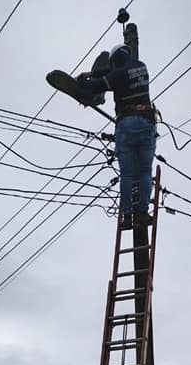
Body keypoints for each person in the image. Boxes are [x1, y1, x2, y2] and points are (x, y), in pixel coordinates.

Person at [47, 44, 156, 229]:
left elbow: (98, 84)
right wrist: (93, 73)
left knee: (127, 174)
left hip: (126, 123)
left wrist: (82, 83)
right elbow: (116, 70)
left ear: (115, 60)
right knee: (145, 172)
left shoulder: (117, 76)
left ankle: (127, 216)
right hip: (147, 122)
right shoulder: (141, 67)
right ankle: (142, 214)